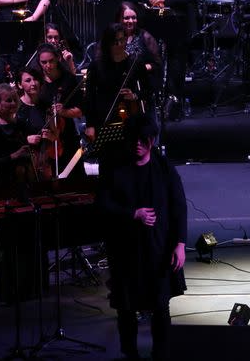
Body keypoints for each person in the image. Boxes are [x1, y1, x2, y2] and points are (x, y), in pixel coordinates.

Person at [96, 113, 187, 361]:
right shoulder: (114, 166)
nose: (137, 144)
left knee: (160, 304)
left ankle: (161, 353)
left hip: (158, 246)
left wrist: (180, 243)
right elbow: (103, 204)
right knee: (126, 306)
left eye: (143, 140)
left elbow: (178, 205)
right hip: (125, 247)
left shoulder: (164, 167)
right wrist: (132, 214)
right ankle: (130, 353)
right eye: (133, 139)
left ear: (152, 140)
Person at [134, 0, 194, 114]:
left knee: (177, 64)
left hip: (178, 24)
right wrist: (154, 0)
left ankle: (174, 101)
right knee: (153, 60)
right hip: (154, 23)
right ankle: (153, 99)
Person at [84, 24, 153, 173]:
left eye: (122, 40)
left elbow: (149, 90)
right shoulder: (96, 66)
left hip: (129, 119)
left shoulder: (135, 63)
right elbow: (89, 96)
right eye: (116, 41)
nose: (120, 45)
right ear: (108, 43)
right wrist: (90, 124)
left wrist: (134, 95)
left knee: (130, 162)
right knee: (107, 164)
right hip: (104, 118)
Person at [35, 44, 84, 178]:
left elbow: (80, 111)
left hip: (66, 136)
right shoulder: (36, 81)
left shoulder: (68, 79)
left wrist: (63, 112)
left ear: (58, 59)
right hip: (44, 137)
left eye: (51, 61)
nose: (48, 66)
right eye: (43, 62)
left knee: (74, 177)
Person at [0, 83, 42, 188]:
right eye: (8, 100)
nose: (13, 103)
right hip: (5, 183)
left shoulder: (20, 123)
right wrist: (14, 156)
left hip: (25, 179)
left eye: (15, 100)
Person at [116, 1, 163, 82]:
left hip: (140, 83)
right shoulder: (112, 36)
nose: (131, 21)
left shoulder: (145, 36)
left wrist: (141, 68)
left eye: (134, 18)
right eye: (126, 18)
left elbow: (158, 64)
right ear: (119, 19)